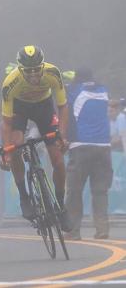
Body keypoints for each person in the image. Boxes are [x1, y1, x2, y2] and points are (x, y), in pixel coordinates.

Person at [0, 45, 71, 231]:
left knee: (58, 160)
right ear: (20, 70)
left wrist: (61, 135)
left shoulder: (53, 73)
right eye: (28, 72)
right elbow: (7, 123)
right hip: (20, 109)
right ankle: (24, 195)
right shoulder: (10, 83)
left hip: (44, 107)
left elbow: (63, 106)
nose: (33, 76)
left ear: (42, 66)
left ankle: (61, 206)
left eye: (36, 70)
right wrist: (6, 151)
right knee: (15, 146)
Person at [64, 68, 113, 240]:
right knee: (100, 191)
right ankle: (102, 229)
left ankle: (73, 230)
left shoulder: (74, 90)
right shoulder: (103, 90)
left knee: (74, 190)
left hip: (80, 146)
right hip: (103, 146)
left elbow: (63, 107)